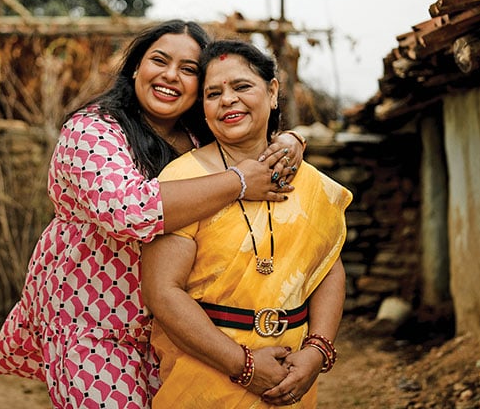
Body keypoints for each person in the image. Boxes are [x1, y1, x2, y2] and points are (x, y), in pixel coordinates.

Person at [0, 20, 307, 408]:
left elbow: (256, 148)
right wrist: (237, 182)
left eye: (189, 69)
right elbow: (128, 211)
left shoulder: (198, 139)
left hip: (176, 331)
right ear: (135, 68)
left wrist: (292, 139)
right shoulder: (92, 130)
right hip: (91, 321)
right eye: (159, 60)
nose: (171, 75)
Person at [141, 39, 351, 408]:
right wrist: (245, 365)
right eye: (213, 93)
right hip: (205, 373)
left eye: (241, 86)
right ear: (202, 109)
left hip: (292, 374)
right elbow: (163, 292)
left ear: (272, 92)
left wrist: (317, 350)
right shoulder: (183, 181)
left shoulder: (313, 183)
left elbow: (327, 269)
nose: (227, 100)